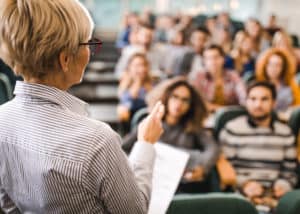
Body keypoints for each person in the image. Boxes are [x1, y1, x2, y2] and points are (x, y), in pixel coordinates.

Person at [0, 0, 165, 213]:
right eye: (88, 44)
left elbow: (8, 205)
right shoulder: (96, 140)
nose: (90, 51)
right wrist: (146, 144)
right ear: (65, 59)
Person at [122, 77, 219, 193]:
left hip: (181, 185)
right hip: (150, 181)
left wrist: (202, 168)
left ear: (190, 105)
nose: (178, 103)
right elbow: (123, 148)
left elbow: (212, 149)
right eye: (175, 97)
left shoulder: (192, 126)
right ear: (167, 97)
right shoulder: (151, 122)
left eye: (185, 100)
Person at [220, 81, 297, 212]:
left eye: (264, 99)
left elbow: (290, 171)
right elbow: (225, 169)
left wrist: (283, 185)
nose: (258, 104)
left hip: (274, 196)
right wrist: (245, 184)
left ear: (274, 103)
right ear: (246, 102)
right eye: (253, 99)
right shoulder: (232, 129)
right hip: (240, 195)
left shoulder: (285, 133)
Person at [189, 44, 246, 113]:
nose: (213, 62)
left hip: (231, 115)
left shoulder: (233, 75)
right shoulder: (199, 77)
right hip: (206, 115)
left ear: (223, 59)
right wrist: (223, 109)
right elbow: (196, 102)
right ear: (204, 61)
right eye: (208, 58)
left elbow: (244, 97)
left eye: (216, 57)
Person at [117, 53, 153, 133]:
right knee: (122, 111)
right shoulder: (125, 82)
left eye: (143, 65)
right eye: (137, 65)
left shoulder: (151, 83)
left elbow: (152, 100)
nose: (141, 68)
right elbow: (125, 100)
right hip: (130, 117)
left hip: (147, 115)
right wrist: (138, 82)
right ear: (130, 67)